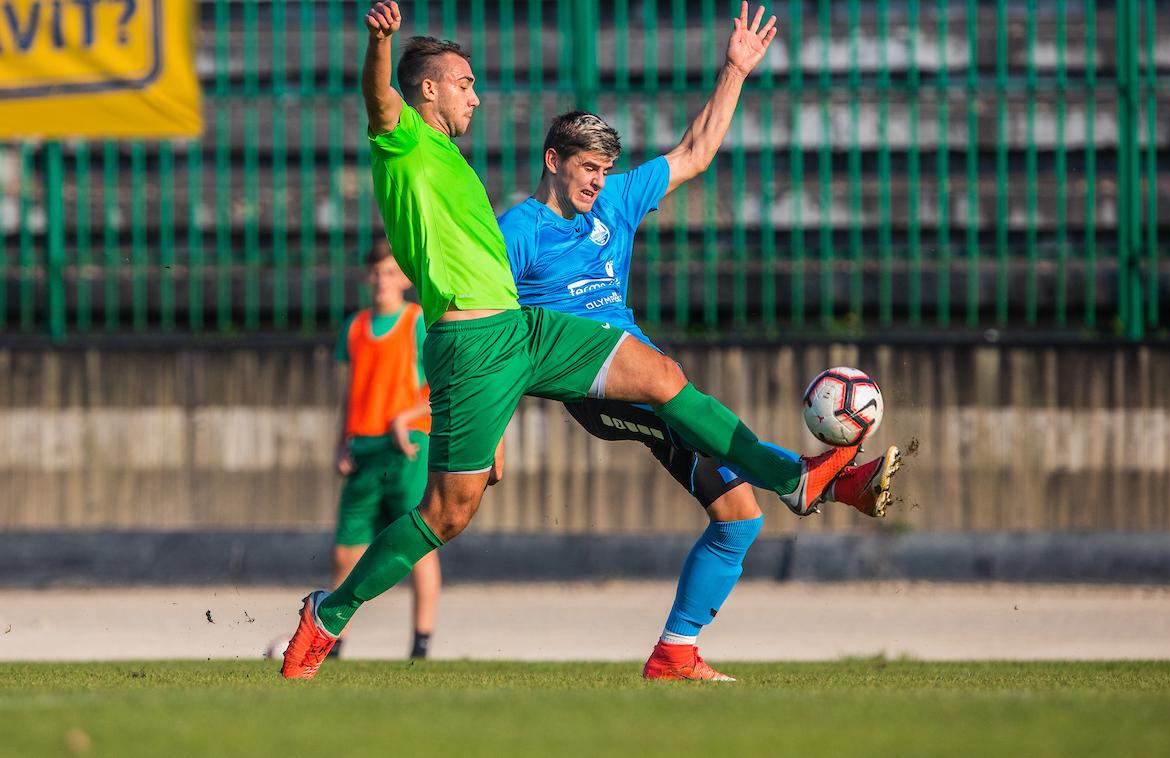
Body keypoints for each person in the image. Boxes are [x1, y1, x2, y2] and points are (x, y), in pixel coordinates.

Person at [282, 1, 861, 680]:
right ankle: (329, 616)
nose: (477, 94)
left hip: (524, 333)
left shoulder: (454, 160)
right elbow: (378, 100)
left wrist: (734, 69)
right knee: (447, 512)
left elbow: (694, 152)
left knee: (664, 376)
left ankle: (793, 477)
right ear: (429, 89)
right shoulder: (405, 138)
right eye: (464, 83)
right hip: (471, 344)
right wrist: (380, 44)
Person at [498, 4, 900, 681]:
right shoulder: (517, 231)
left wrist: (735, 69)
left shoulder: (617, 201)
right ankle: (807, 482)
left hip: (644, 372)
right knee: (666, 376)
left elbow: (694, 152)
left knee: (739, 520)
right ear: (553, 161)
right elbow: (493, 335)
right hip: (591, 387)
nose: (599, 180)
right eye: (589, 167)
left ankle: (674, 651)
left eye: (606, 169)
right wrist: (492, 430)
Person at [329, 240, 439, 660]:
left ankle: (421, 642)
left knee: (417, 543)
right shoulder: (355, 327)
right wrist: (341, 441)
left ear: (406, 280)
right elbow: (351, 392)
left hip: (406, 448)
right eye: (377, 273)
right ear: (366, 277)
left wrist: (405, 417)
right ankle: (333, 636)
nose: (383, 281)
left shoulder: (416, 322)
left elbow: (440, 387)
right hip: (363, 449)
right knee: (345, 548)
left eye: (392, 272)